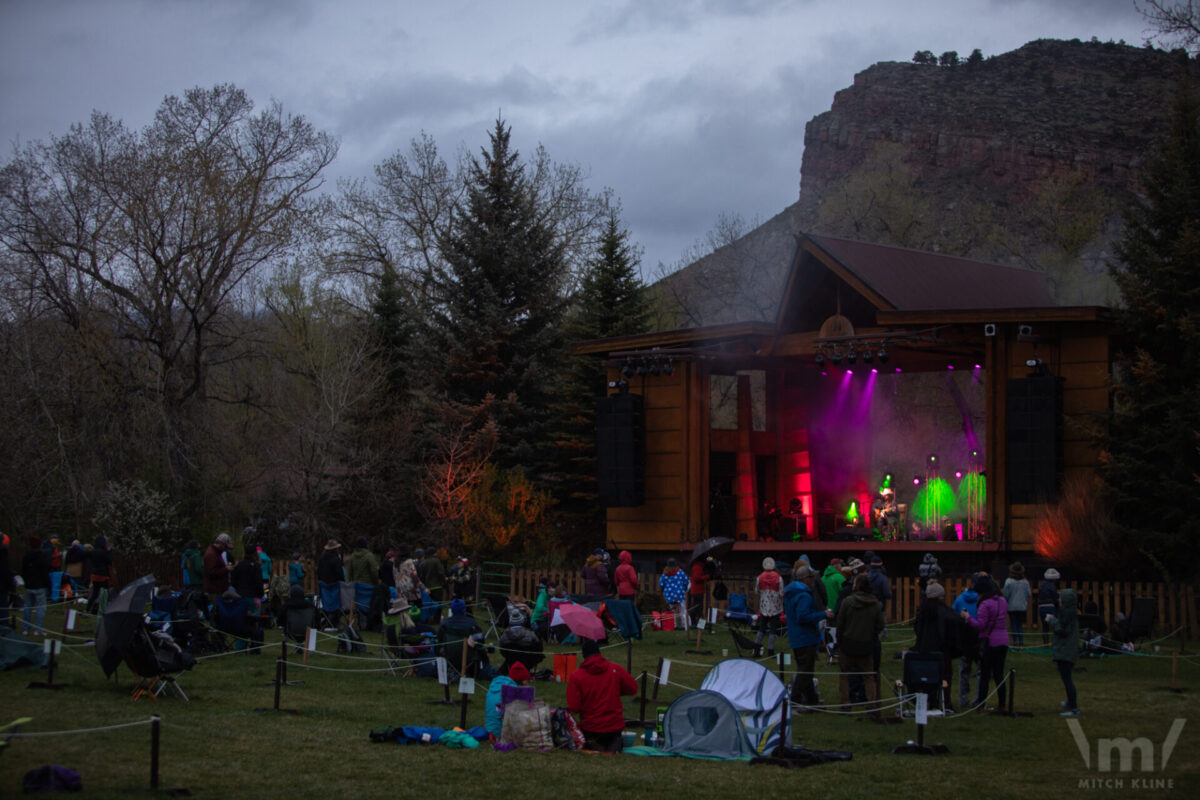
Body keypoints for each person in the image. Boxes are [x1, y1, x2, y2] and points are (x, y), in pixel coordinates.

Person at [566, 638, 637, 752]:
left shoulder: (577, 676)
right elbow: (633, 688)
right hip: (614, 730)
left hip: (591, 730)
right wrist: (615, 691)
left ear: (584, 655)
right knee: (611, 750)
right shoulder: (615, 669)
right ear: (599, 652)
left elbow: (574, 707)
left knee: (597, 749)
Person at [783, 563, 833, 706]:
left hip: (796, 637)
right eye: (811, 577)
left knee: (806, 669)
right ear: (805, 579)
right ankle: (795, 699)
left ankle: (812, 700)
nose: (813, 580)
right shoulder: (804, 596)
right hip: (805, 637)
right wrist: (823, 614)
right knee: (805, 671)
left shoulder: (792, 593)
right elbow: (803, 617)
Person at [836, 573, 884, 708]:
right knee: (868, 676)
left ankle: (846, 703)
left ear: (856, 586)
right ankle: (870, 702)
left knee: (844, 675)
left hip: (847, 644)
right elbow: (880, 625)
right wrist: (871, 635)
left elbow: (840, 623)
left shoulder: (847, 602)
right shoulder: (875, 604)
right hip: (866, 645)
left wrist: (840, 640)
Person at [962, 574, 1009, 710]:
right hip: (1003, 640)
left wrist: (968, 617)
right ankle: (1002, 704)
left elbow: (980, 625)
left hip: (989, 642)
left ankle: (981, 703)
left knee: (985, 674)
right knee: (999, 674)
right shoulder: (1002, 601)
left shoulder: (985, 604)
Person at [913, 581, 959, 710]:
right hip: (942, 650)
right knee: (946, 676)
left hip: (924, 649)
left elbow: (917, 629)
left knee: (927, 677)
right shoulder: (945, 612)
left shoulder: (922, 610)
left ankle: (929, 701)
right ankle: (946, 702)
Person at [1049, 587, 1081, 716]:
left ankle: (1073, 707)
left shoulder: (1067, 614)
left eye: (1061, 598)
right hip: (1068, 649)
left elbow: (1063, 630)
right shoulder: (1070, 613)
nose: (1059, 600)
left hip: (1066, 650)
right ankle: (1070, 703)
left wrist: (1052, 621)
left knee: (1067, 679)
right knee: (1066, 678)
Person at [953, 573, 982, 709]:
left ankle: (963, 699)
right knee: (981, 670)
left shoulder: (959, 600)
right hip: (979, 637)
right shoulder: (982, 600)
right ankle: (978, 699)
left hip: (965, 638)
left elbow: (954, 616)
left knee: (964, 669)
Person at [485, 661, 532, 740]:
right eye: (527, 681)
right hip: (503, 734)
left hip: (490, 731)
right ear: (522, 681)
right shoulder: (515, 692)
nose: (528, 684)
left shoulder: (496, 685)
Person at [21, 535, 51, 636]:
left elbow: (23, 571)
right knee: (40, 608)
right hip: (40, 586)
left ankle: (25, 629)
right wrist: (48, 585)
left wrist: (26, 581)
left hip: (29, 585)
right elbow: (45, 572)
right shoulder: (42, 556)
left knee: (27, 607)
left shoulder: (26, 556)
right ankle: (37, 630)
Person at [754, 557, 783, 657]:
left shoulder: (759, 578)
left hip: (764, 606)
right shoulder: (779, 578)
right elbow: (781, 592)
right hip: (775, 607)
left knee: (761, 628)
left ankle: (756, 649)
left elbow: (756, 591)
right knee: (773, 629)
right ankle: (771, 651)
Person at [202, 533, 235, 610]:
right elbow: (211, 572)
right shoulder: (211, 555)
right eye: (225, 547)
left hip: (217, 589)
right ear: (220, 543)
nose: (225, 549)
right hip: (214, 591)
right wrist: (226, 569)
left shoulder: (216, 553)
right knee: (215, 612)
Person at [1003, 561, 1031, 647]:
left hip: (1011, 606)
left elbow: (1005, 594)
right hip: (1022, 606)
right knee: (1019, 624)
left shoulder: (1008, 581)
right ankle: (1021, 641)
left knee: (1013, 624)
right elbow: (1029, 594)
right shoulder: (1025, 582)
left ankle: (1015, 641)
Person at [658, 558, 689, 630]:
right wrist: (684, 589)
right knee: (683, 610)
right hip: (680, 594)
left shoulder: (665, 573)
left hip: (669, 595)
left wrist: (664, 591)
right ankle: (685, 626)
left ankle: (673, 625)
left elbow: (661, 584)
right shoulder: (680, 572)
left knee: (671, 611)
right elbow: (686, 581)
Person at [87, 535, 114, 616]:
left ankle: (88, 608)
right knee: (106, 593)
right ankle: (105, 608)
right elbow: (109, 561)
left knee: (95, 593)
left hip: (95, 574)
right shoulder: (104, 552)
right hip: (103, 575)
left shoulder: (93, 551)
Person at [418, 548, 446, 623]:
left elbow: (421, 576)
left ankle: (427, 619)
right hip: (437, 586)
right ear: (434, 553)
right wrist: (444, 582)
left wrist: (424, 586)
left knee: (428, 605)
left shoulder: (423, 563)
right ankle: (437, 620)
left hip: (427, 588)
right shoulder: (437, 561)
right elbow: (441, 573)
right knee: (438, 605)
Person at [231, 544, 262, 611]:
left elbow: (233, 581)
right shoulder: (256, 566)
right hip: (252, 596)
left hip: (240, 596)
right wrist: (260, 594)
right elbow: (258, 582)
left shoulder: (239, 565)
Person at [1037, 568, 1061, 646]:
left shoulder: (1042, 585)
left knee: (1045, 626)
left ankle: (1045, 644)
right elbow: (1055, 598)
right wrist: (1058, 607)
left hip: (1041, 608)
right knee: (1055, 626)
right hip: (1050, 608)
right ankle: (1056, 643)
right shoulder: (1052, 586)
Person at [688, 557, 712, 625]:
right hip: (697, 591)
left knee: (698, 608)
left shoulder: (699, 567)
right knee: (698, 608)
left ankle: (696, 623)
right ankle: (697, 623)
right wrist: (706, 576)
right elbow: (697, 578)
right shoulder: (697, 567)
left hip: (699, 590)